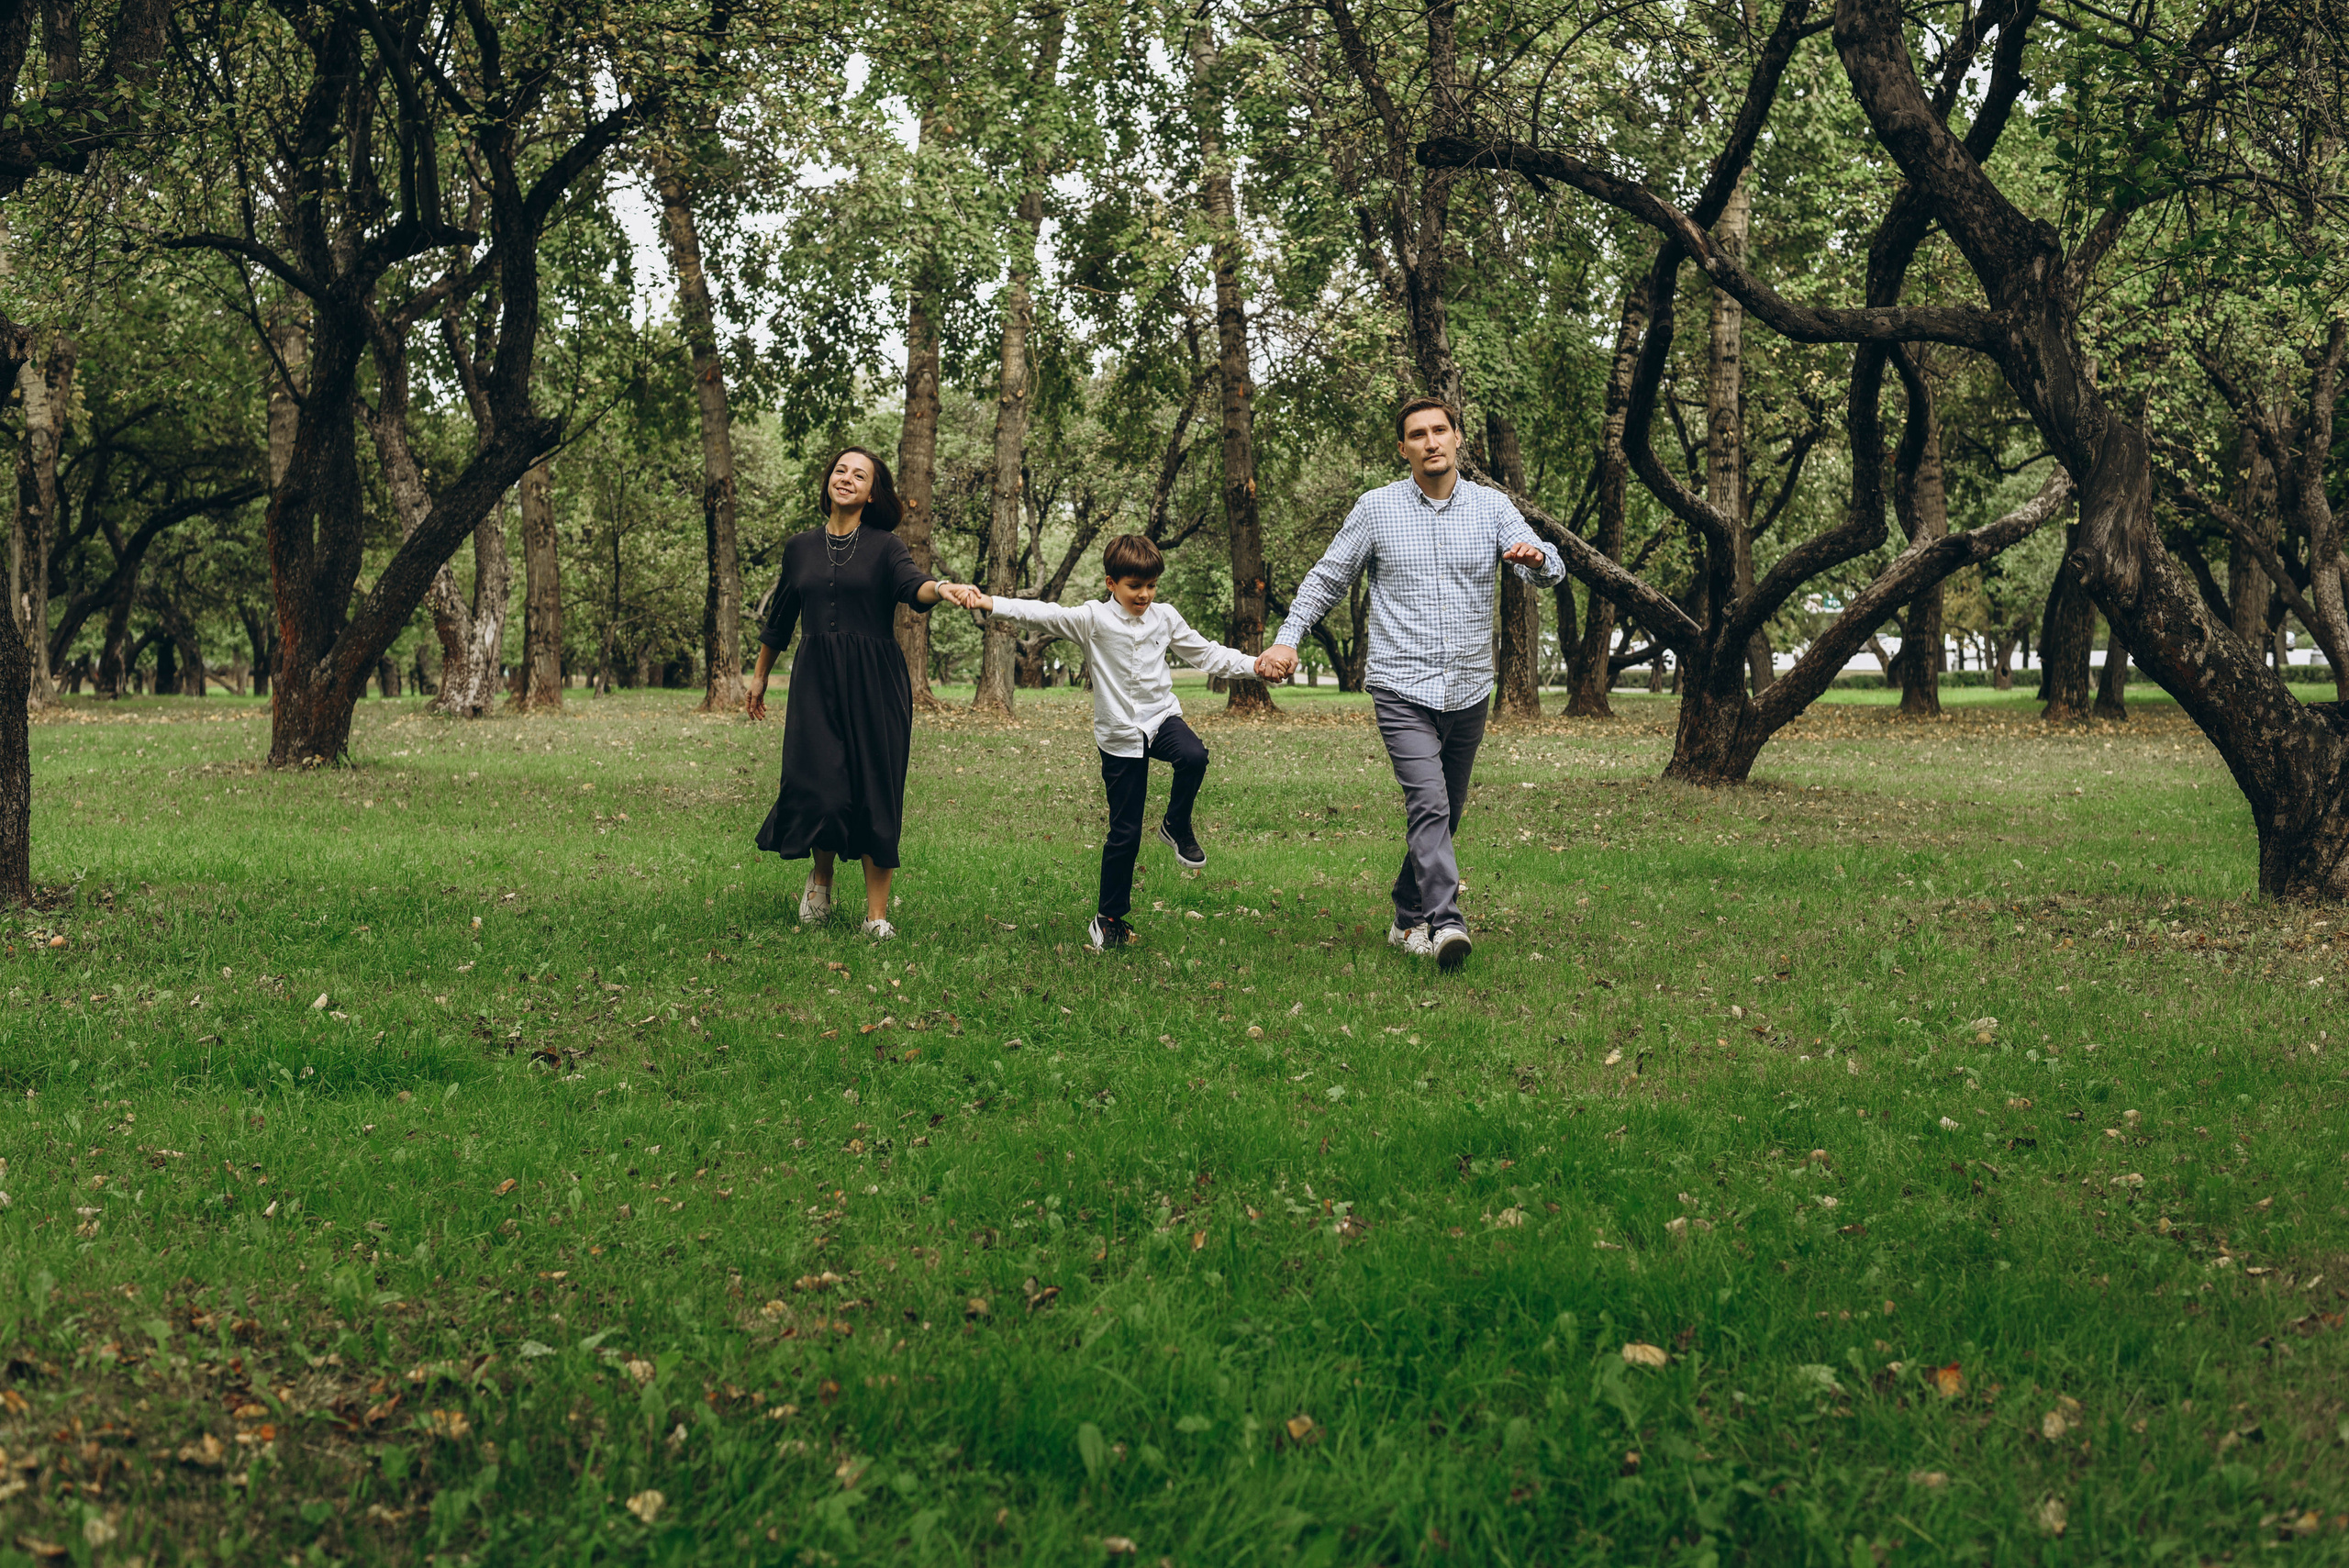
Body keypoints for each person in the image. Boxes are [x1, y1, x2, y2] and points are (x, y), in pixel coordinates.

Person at [1257, 397, 1564, 969]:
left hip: (1471, 684)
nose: (1430, 442)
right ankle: (1445, 922)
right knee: (1428, 803)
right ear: (1404, 448)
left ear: (1457, 439)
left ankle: (1405, 914)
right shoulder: (1376, 509)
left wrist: (1537, 557)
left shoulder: (1492, 507)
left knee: (1446, 810)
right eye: (1417, 435)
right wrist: (1289, 635)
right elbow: (1329, 576)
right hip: (1401, 683)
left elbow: (1546, 568)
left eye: (1439, 431)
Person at [943, 534, 1260, 951]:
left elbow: (1207, 655)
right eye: (1134, 586)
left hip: (1161, 718)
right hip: (1119, 735)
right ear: (1111, 583)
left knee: (1194, 755)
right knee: (1124, 833)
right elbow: (1041, 613)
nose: (1144, 595)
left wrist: (1257, 665)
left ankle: (1175, 825)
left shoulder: (1165, 618)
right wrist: (989, 603)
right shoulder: (1092, 618)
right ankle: (1108, 919)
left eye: (1150, 586)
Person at [748, 447, 972, 940]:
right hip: (815, 681)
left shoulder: (885, 546)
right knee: (820, 787)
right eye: (840, 470)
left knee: (876, 791)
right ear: (829, 481)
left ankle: (876, 917)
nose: (846, 478)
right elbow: (780, 618)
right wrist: (761, 676)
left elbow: (914, 587)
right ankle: (821, 880)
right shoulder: (800, 547)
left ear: (873, 494)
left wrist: (943, 588)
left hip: (876, 683)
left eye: (859, 475)